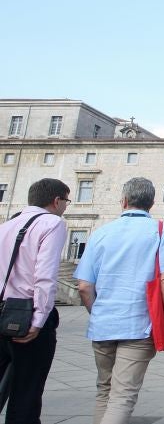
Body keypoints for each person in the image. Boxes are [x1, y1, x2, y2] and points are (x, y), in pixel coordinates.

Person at [75, 177, 164, 424]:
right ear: (152, 203)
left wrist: (97, 311)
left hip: (102, 326)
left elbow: (84, 286)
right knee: (123, 396)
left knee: (104, 390)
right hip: (139, 325)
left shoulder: (100, 233)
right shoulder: (160, 231)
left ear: (123, 201)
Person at [0, 178, 68, 423]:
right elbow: (45, 275)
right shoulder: (52, 223)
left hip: (2, 310)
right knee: (26, 393)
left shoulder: (7, 225)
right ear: (57, 200)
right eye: (66, 201)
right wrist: (38, 320)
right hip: (27, 315)